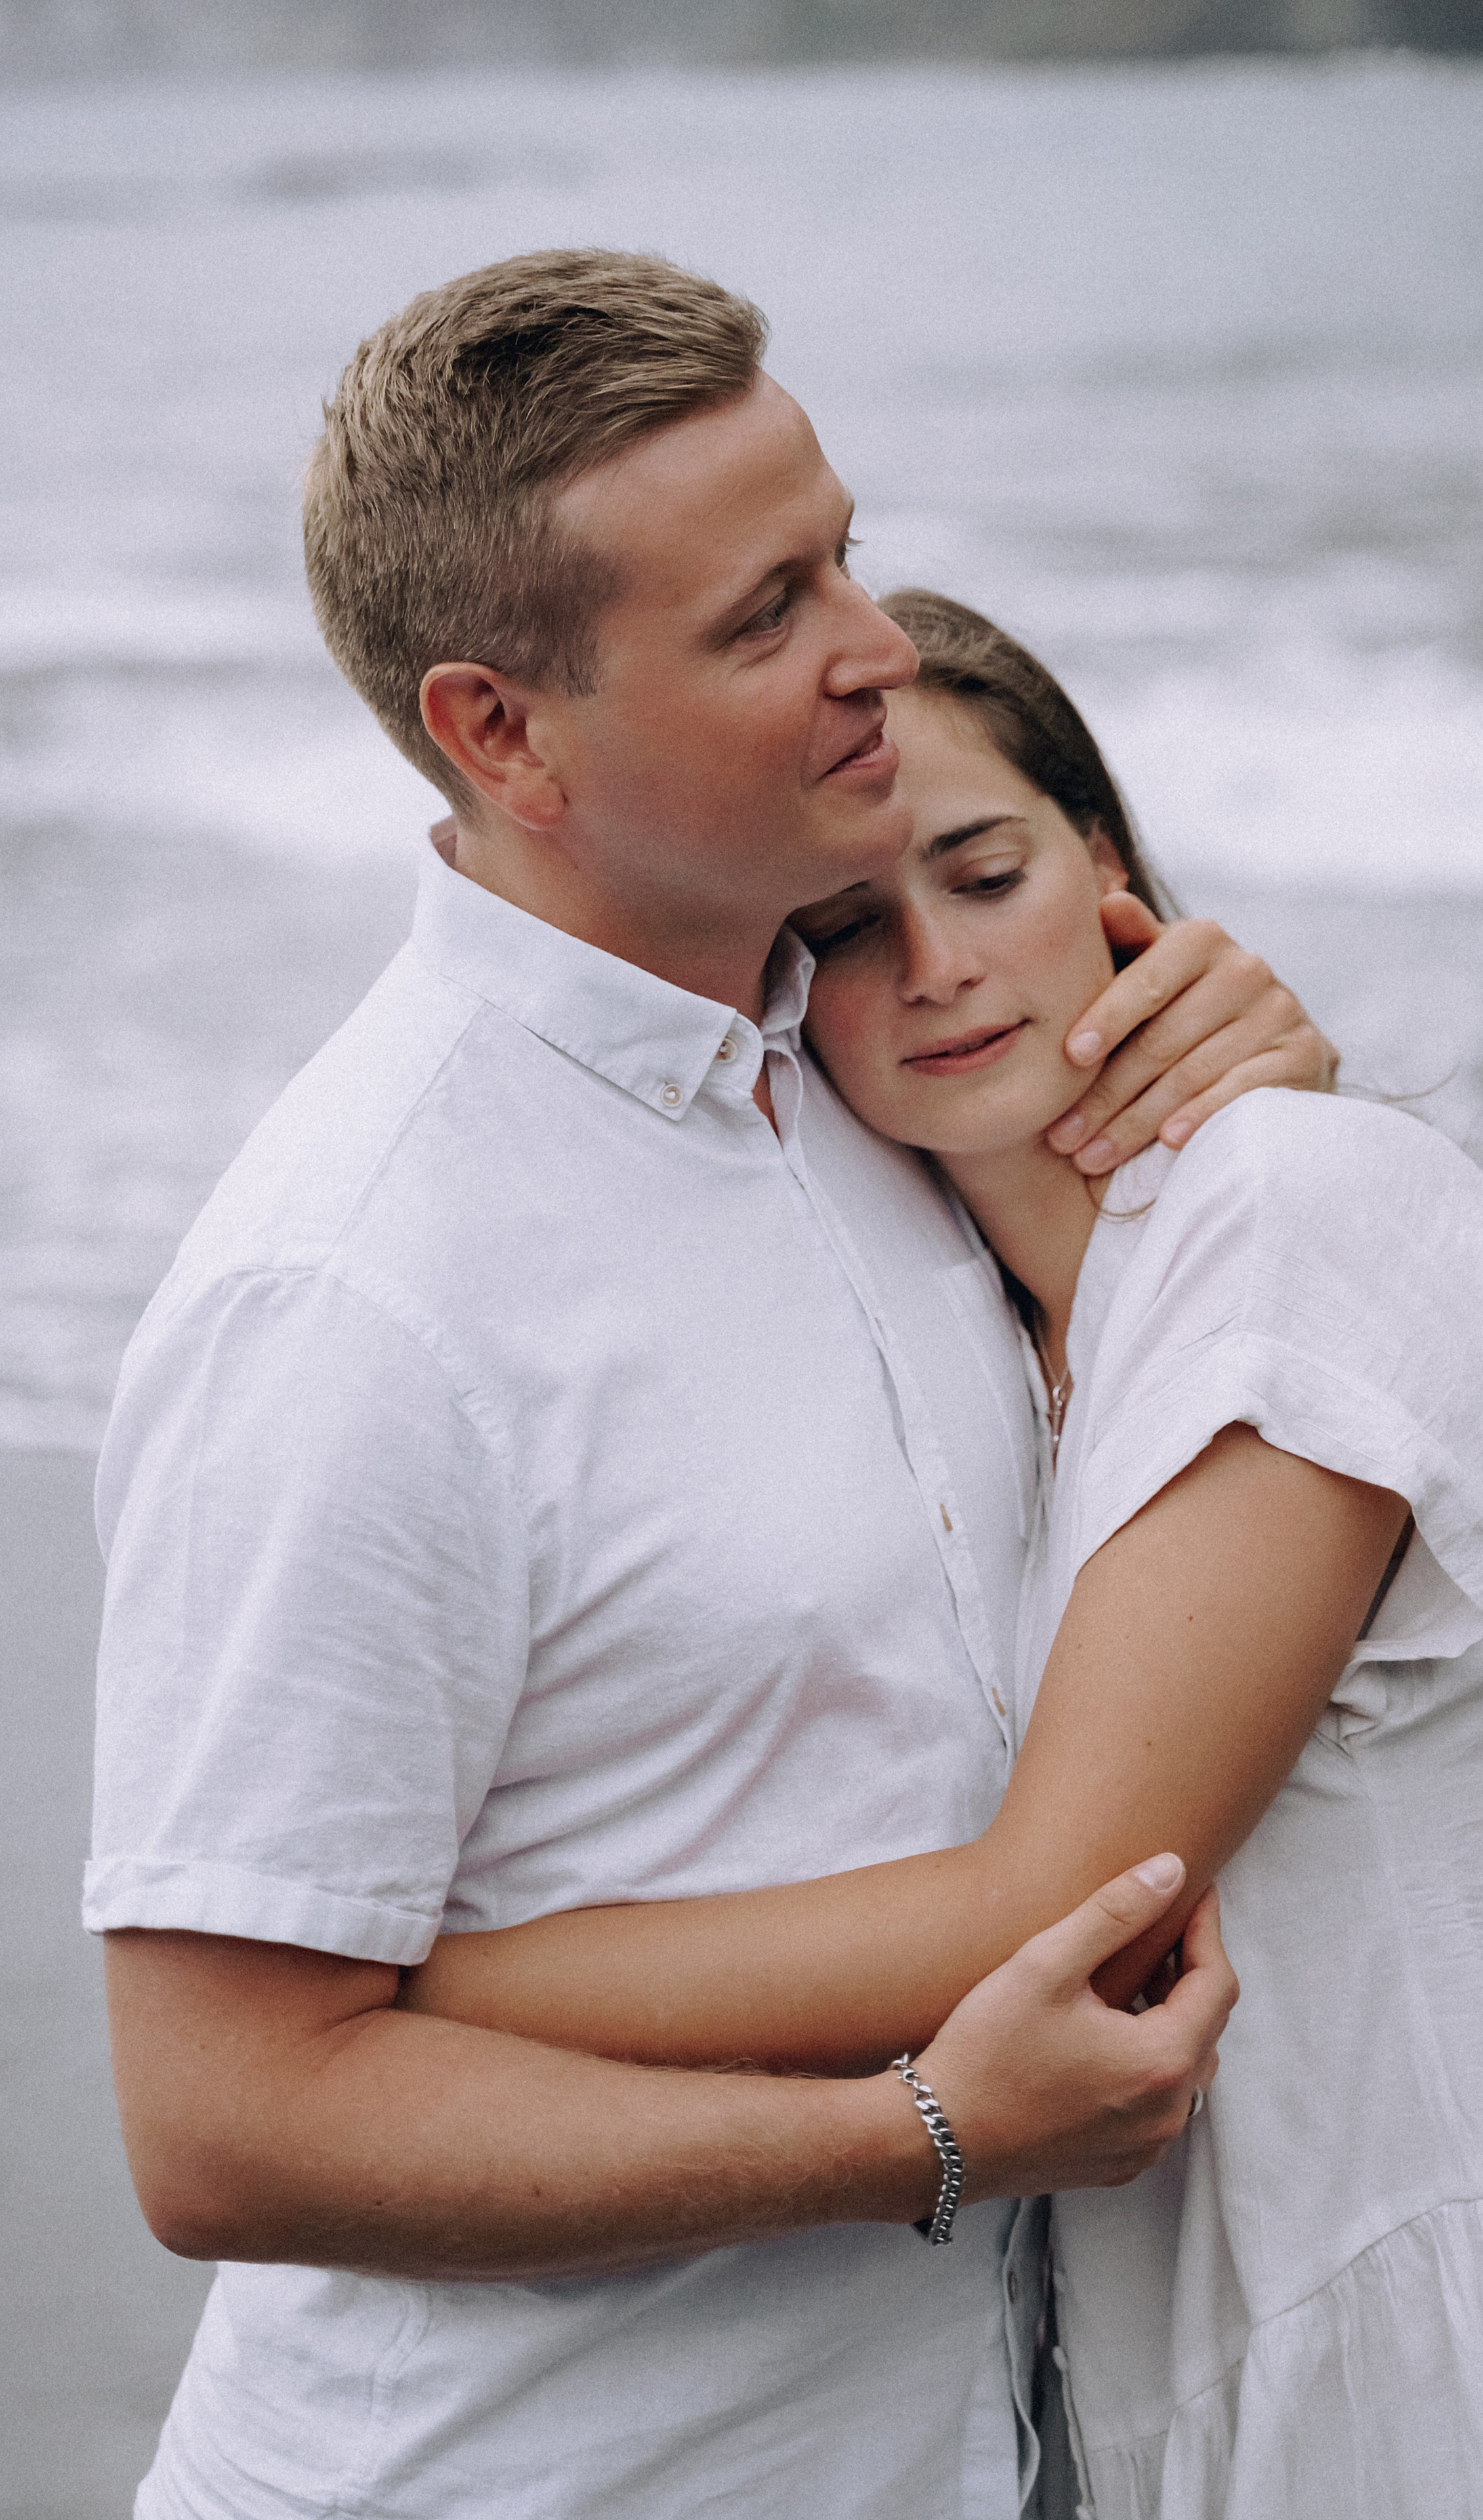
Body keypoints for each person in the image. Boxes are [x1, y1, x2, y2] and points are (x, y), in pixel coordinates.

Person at [86, 254, 1339, 2520]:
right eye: (770, 615)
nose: (880, 647)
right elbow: (227, 2113)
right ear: (504, 734)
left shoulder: (861, 1072)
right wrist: (922, 2140)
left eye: (846, 548)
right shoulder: (357, 1295)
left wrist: (1240, 1115)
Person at [414, 589, 1483, 2519]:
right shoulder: (992, 1374)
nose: (931, 962)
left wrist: (423, 1997)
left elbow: (1069, 1892)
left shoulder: (1292, 1205)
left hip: (1475, 2356)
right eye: (838, 928)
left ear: (1102, 862)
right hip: (1215, 2372)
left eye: (983, 869)